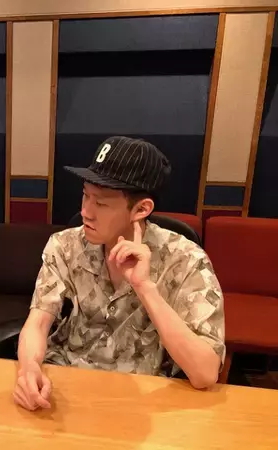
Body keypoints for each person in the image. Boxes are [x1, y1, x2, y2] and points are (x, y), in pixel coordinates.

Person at [13, 136, 225, 411]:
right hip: (65, 384)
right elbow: (38, 322)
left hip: (140, 397)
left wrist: (145, 287)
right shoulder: (64, 245)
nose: (85, 212)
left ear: (141, 209)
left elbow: (205, 373)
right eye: (85, 195)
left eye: (101, 203)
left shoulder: (185, 259)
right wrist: (28, 368)